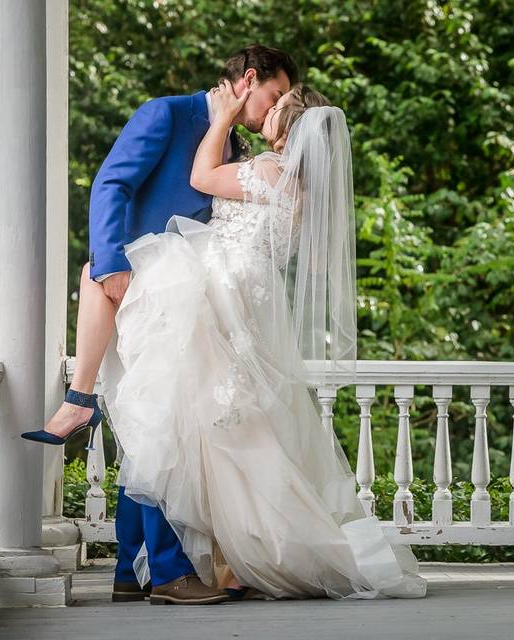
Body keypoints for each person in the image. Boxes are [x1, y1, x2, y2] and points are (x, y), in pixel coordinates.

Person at [105, 81, 427, 600]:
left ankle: (156, 567)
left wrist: (223, 119)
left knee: (171, 423)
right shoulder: (301, 189)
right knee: (192, 426)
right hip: (248, 298)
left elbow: (200, 176)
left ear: (289, 127)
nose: (267, 113)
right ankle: (179, 563)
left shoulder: (268, 171)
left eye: (276, 108)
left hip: (214, 293)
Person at [22, 45, 299, 605]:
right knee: (165, 429)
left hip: (190, 300)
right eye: (274, 94)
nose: (276, 107)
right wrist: (112, 264)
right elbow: (112, 185)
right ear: (249, 79)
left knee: (151, 427)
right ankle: (171, 573)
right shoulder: (166, 114)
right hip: (143, 287)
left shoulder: (237, 143)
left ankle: (132, 569)